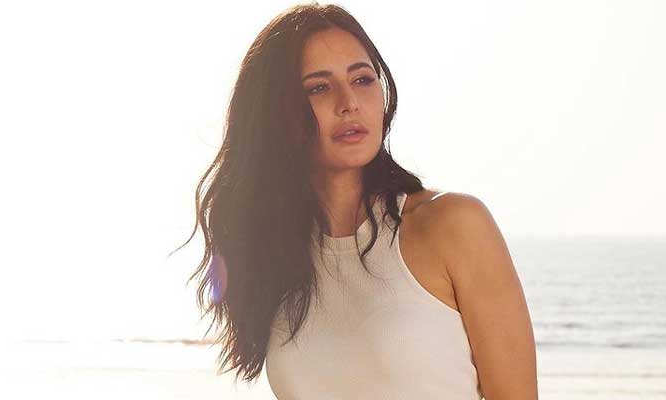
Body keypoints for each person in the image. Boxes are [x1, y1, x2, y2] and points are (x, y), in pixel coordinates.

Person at [172, 3, 537, 399]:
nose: (349, 102)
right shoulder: (276, 257)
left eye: (362, 79)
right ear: (276, 112)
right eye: (319, 88)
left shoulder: (453, 224)